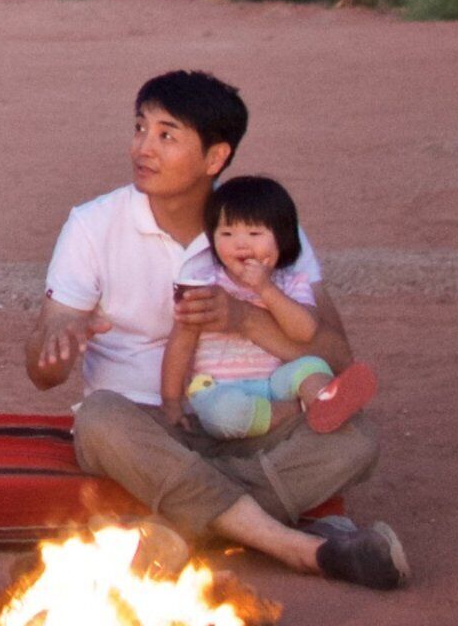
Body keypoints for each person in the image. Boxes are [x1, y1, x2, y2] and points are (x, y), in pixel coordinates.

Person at [24, 69, 407, 589]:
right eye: (140, 128)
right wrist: (59, 346)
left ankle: (178, 528)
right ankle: (295, 546)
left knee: (356, 439)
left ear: (215, 158)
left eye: (167, 135)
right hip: (146, 428)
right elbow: (42, 369)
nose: (143, 147)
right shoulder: (93, 225)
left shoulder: (262, 228)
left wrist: (244, 319)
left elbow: (337, 356)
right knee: (98, 417)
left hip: (255, 421)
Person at [156, 175, 374, 439]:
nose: (240, 243)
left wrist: (265, 289)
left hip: (274, 382)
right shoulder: (205, 284)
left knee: (311, 366)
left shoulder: (291, 283)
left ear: (281, 238)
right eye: (226, 233)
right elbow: (181, 343)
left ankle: (325, 401)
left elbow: (305, 332)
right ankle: (299, 411)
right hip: (221, 387)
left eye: (254, 233)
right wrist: (171, 401)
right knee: (223, 414)